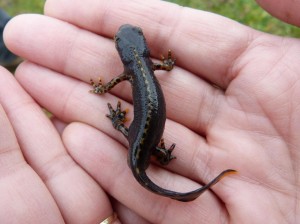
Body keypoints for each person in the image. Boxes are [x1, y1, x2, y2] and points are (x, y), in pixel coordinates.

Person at [0, 0, 299, 223]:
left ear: (130, 52)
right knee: (141, 143)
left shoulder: (130, 71)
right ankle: (159, 155)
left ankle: (154, 150)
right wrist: (168, 63)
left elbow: (108, 87)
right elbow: (167, 67)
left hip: (141, 138)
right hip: (141, 139)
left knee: (139, 140)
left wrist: (109, 102)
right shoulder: (144, 66)